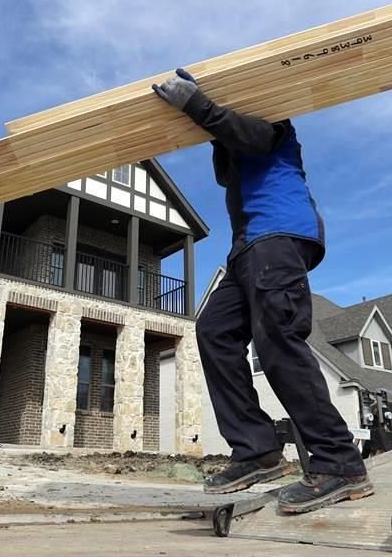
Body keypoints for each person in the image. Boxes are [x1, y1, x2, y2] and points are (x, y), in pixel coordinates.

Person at [152, 69, 374, 514]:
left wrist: (199, 104)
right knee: (214, 330)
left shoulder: (274, 123)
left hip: (279, 236)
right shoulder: (233, 141)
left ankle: (339, 463)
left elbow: (249, 137)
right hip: (246, 249)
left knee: (278, 343)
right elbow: (224, 167)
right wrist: (207, 117)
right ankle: (257, 450)